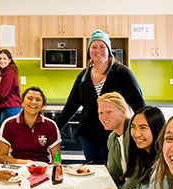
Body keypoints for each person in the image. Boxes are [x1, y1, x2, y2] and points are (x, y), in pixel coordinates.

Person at [56, 29, 145, 164]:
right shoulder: (84, 77)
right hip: (89, 138)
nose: (98, 50)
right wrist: (53, 130)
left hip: (116, 136)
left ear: (109, 49)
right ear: (89, 51)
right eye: (94, 47)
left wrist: (146, 129)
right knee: (95, 173)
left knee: (117, 174)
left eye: (102, 46)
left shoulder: (122, 73)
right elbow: (70, 107)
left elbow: (139, 105)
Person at [0, 87, 61, 164]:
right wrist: (27, 163)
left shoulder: (51, 125)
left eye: (38, 100)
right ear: (22, 102)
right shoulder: (9, 124)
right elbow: (1, 157)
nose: (34, 102)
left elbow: (56, 157)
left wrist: (55, 170)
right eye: (30, 98)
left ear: (42, 105)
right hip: (17, 168)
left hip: (42, 169)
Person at [97, 92, 137, 189]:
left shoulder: (134, 133)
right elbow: (112, 172)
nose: (103, 117)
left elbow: (137, 174)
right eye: (101, 113)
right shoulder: (113, 137)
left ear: (123, 111)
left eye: (108, 112)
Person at [0, 49, 21, 156]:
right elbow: (2, 90)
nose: (1, 61)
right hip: (4, 109)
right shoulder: (4, 73)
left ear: (9, 60)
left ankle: (6, 162)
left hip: (10, 109)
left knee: (4, 139)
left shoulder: (9, 72)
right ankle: (1, 161)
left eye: (4, 59)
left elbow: (3, 93)